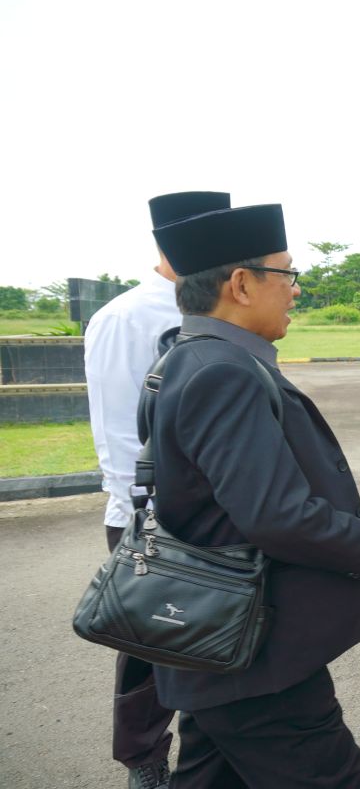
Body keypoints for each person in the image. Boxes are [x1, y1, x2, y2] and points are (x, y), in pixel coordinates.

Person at [146, 203, 360, 788]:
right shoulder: (224, 371)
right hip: (252, 653)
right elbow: (274, 512)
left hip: (214, 646)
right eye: (287, 274)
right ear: (241, 284)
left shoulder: (193, 356)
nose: (296, 290)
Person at [84, 190, 230, 789]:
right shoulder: (124, 318)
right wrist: (143, 517)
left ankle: (214, 748)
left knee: (220, 627)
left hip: (220, 509)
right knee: (148, 639)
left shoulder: (220, 306)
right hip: (151, 513)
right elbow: (118, 429)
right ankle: (145, 760)